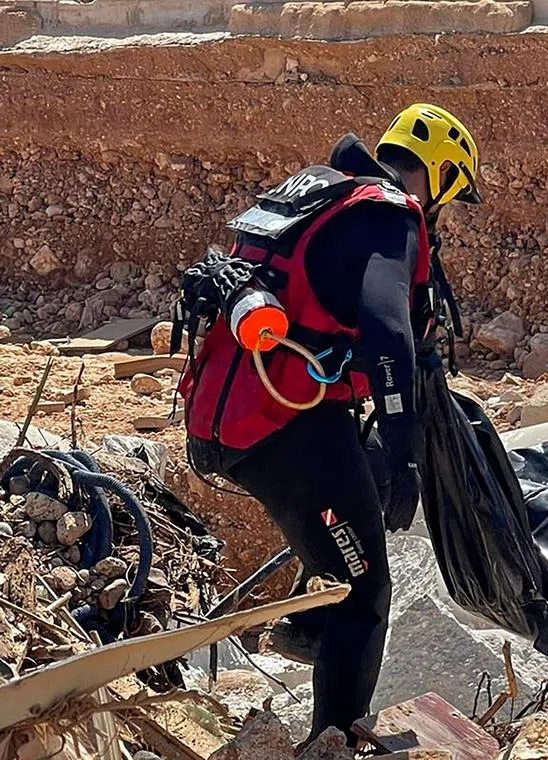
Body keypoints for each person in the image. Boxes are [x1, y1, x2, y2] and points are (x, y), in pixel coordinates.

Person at [177, 104, 481, 746]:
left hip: (224, 410)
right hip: (284, 423)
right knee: (367, 590)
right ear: (442, 178)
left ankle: (309, 628)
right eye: (449, 196)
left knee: (347, 497)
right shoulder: (388, 213)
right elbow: (388, 333)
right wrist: (405, 455)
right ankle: (335, 739)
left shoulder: (316, 191)